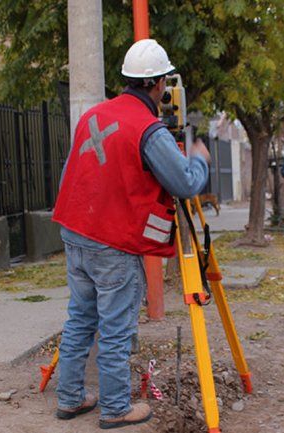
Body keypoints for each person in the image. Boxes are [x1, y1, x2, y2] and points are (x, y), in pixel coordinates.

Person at [52, 39, 210, 429]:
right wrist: (201, 160)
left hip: (75, 232)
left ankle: (71, 398)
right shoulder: (148, 129)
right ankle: (116, 408)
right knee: (116, 330)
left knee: (80, 321)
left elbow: (76, 173)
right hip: (113, 243)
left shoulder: (93, 116)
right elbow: (185, 183)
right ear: (158, 83)